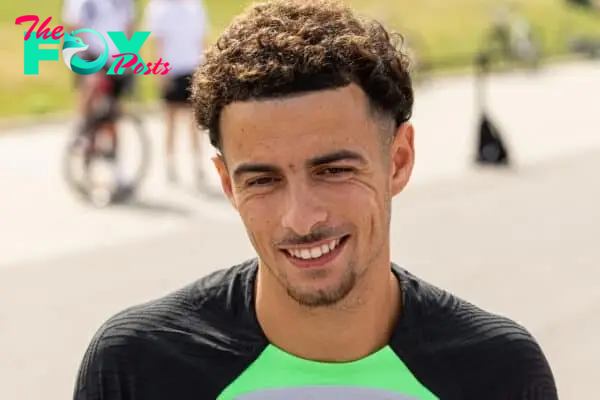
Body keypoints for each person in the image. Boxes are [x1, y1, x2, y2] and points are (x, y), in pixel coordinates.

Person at [73, 1, 558, 399]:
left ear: (399, 160)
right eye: (262, 180)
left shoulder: (497, 374)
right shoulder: (137, 368)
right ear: (227, 184)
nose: (301, 217)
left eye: (334, 170)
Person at [62, 0, 136, 183]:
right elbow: (75, 28)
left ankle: (116, 167)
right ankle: (83, 133)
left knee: (113, 116)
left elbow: (128, 27)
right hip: (91, 55)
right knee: (91, 91)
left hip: (116, 59)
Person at [144, 0, 211, 186]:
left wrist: (205, 67)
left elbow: (202, 41)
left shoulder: (195, 7)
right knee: (170, 121)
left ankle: (197, 164)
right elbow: (158, 43)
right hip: (171, 70)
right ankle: (170, 164)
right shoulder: (159, 8)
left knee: (194, 122)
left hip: (193, 68)